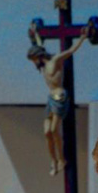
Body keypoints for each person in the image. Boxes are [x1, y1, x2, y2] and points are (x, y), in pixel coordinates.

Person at [27, 23, 88, 176]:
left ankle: (61, 159)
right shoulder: (43, 63)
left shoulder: (55, 61)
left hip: (60, 97)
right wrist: (36, 34)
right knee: (47, 132)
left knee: (54, 129)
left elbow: (70, 50)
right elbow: (40, 44)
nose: (34, 63)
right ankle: (53, 160)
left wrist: (82, 37)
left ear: (39, 57)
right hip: (51, 98)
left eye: (34, 59)